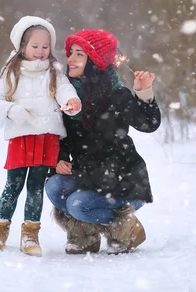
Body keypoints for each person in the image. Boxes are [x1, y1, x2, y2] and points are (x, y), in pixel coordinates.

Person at [45, 29, 161, 255]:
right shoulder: (68, 96)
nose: (70, 59)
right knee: (55, 187)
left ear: (94, 61)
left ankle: (127, 227)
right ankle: (84, 236)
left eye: (79, 54)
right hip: (87, 175)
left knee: (77, 205)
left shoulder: (116, 94)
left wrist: (143, 92)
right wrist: (59, 159)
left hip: (121, 181)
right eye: (71, 53)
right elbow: (65, 136)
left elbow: (148, 124)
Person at [0, 16, 82, 257]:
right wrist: (13, 111)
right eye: (35, 46)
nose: (40, 51)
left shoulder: (54, 71)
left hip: (46, 136)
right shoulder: (11, 71)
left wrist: (72, 102)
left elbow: (65, 91)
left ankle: (30, 234)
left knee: (36, 188)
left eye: (45, 47)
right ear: (21, 47)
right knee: (13, 186)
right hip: (21, 136)